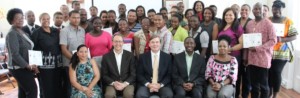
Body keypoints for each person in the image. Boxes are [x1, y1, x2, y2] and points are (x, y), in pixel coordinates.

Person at [244, 2, 277, 98]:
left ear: (263, 10)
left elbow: (273, 40)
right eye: (255, 8)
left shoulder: (268, 24)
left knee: (263, 86)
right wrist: (245, 57)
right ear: (252, 11)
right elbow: (247, 42)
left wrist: (258, 48)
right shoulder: (249, 24)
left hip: (263, 59)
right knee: (254, 85)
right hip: (251, 59)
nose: (257, 10)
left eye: (259, 8)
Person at [6, 8, 39, 98]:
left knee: (23, 92)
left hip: (24, 66)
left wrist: (33, 64)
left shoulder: (21, 31)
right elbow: (15, 54)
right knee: (32, 90)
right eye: (17, 18)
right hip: (18, 67)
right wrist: (28, 66)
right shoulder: (12, 33)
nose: (21, 20)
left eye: (22, 17)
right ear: (11, 20)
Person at [268, 0, 298, 98]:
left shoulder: (288, 21)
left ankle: (275, 94)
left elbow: (294, 36)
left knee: (276, 72)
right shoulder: (268, 20)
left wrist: (282, 39)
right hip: (269, 51)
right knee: (269, 72)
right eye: (274, 8)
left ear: (282, 9)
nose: (276, 10)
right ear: (272, 9)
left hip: (282, 52)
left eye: (278, 8)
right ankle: (270, 92)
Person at [31, 13, 63, 98]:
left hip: (58, 64)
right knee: (46, 88)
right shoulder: (36, 32)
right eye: (43, 19)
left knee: (57, 86)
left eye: (48, 19)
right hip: (44, 66)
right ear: (40, 20)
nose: (46, 21)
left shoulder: (55, 31)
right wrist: (35, 65)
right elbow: (32, 49)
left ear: (50, 20)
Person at [60, 10, 85, 98]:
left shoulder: (82, 30)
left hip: (81, 63)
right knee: (70, 87)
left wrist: (81, 60)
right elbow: (63, 49)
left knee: (80, 86)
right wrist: (75, 60)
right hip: (69, 64)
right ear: (69, 18)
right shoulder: (64, 31)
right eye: (73, 18)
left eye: (78, 18)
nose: (76, 20)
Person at [236, 4, 252, 98]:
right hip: (237, 52)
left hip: (248, 53)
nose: (244, 11)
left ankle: (245, 95)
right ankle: (236, 94)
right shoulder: (236, 21)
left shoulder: (252, 22)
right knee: (237, 76)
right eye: (242, 10)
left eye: (246, 10)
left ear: (249, 11)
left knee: (247, 77)